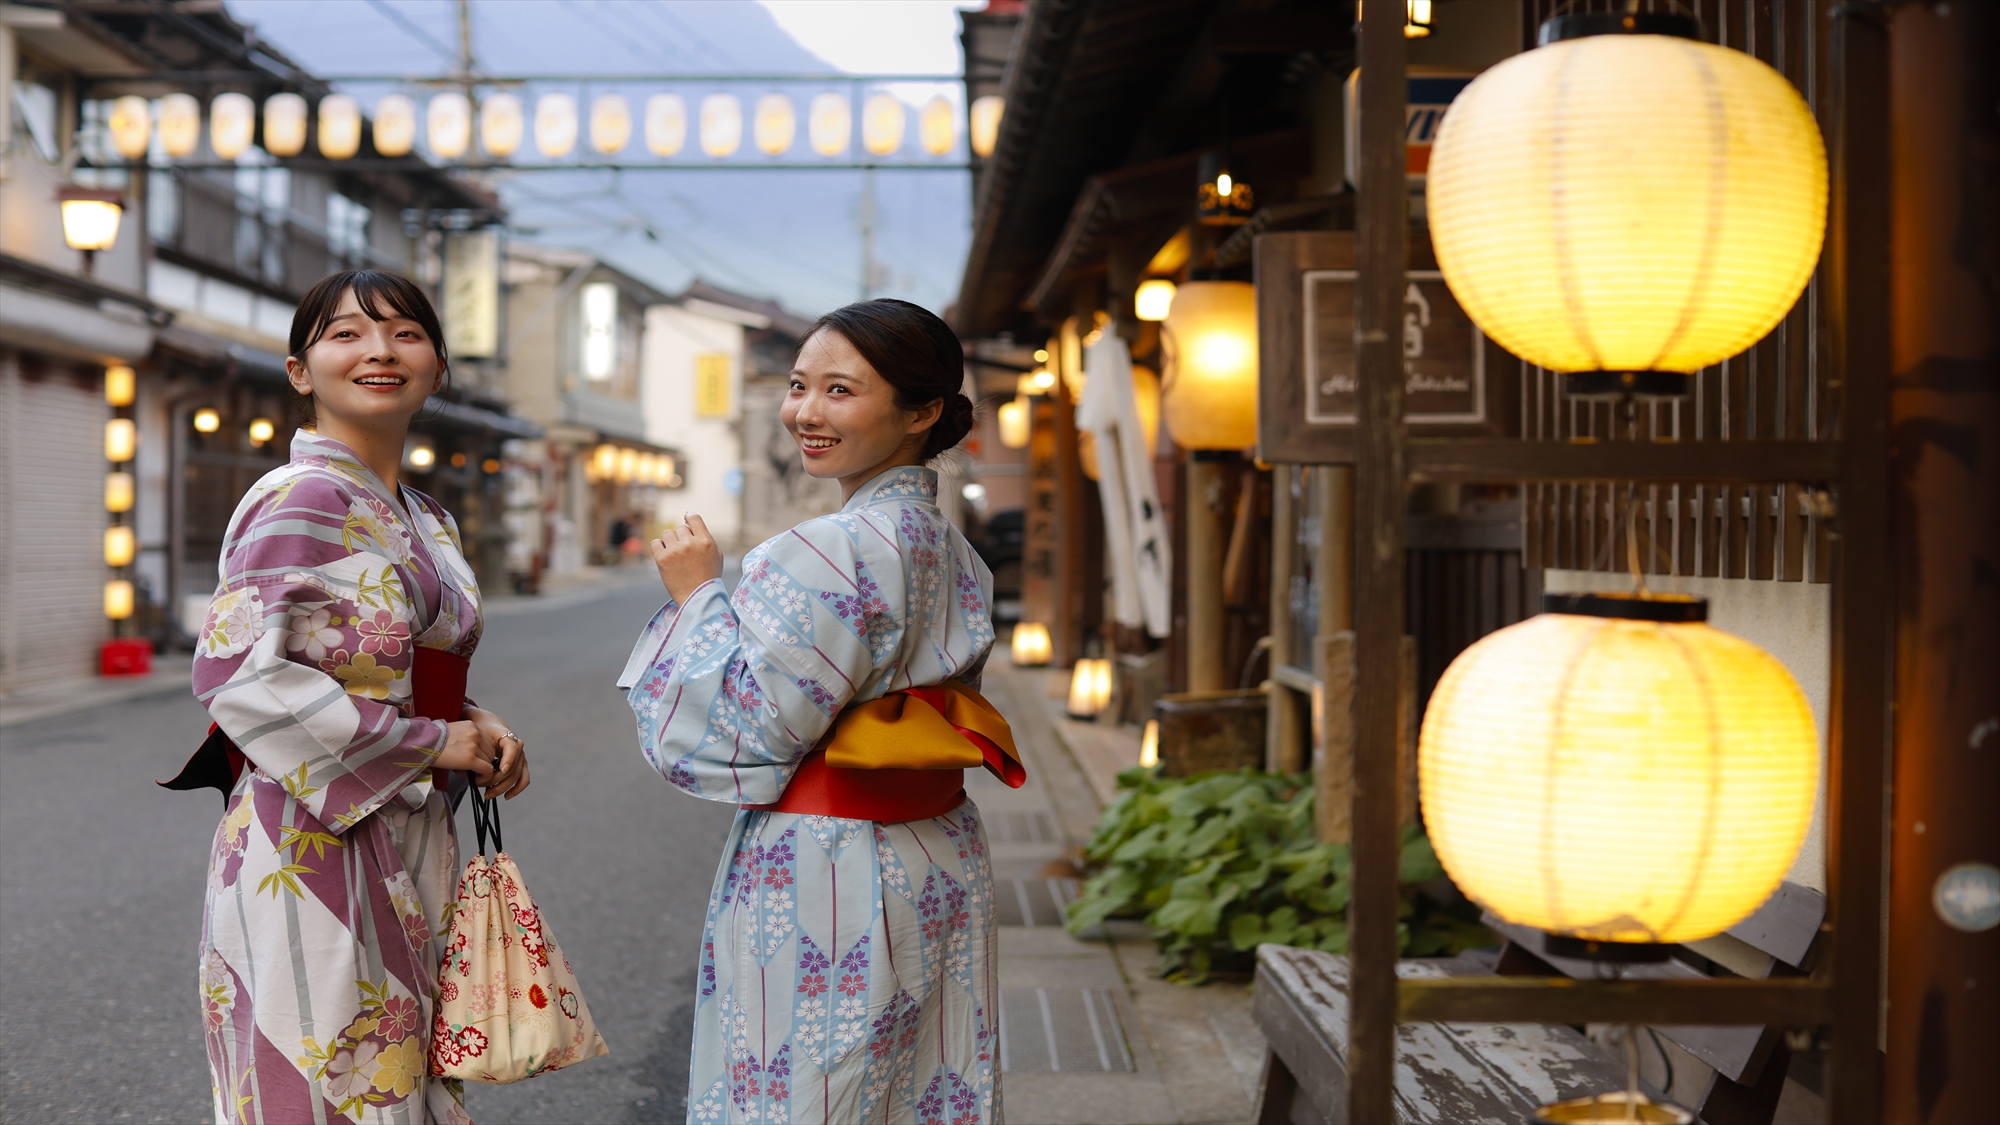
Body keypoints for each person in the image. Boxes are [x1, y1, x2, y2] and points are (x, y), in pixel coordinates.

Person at [620, 299, 1018, 1124]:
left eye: (841, 390)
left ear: (922, 412)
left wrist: (698, 599)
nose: (805, 411)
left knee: (807, 1087)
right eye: (800, 386)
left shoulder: (821, 551)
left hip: (828, 861)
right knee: (915, 1081)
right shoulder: (952, 549)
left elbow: (742, 734)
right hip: (935, 849)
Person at [185, 269, 529, 1124]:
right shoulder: (301, 498)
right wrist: (427, 744)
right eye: (346, 333)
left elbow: (406, 665)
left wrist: (475, 723)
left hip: (407, 819)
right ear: (301, 370)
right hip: (310, 835)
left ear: (438, 367)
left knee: (396, 1073)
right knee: (333, 1079)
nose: (380, 350)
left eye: (406, 333)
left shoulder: (425, 516)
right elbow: (240, 673)